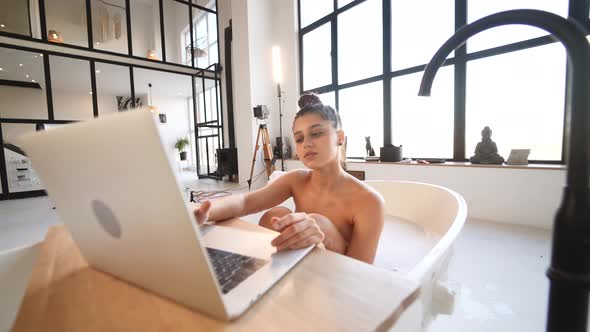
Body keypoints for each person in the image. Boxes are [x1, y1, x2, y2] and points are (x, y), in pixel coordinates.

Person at [194, 93, 385, 264]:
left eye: (317, 133)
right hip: (297, 268)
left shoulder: (369, 201)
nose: (307, 144)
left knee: (317, 222)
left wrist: (323, 238)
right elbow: (245, 202)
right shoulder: (297, 180)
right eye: (299, 139)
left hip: (336, 275)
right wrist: (205, 212)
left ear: (340, 137)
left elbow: (361, 271)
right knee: (275, 214)